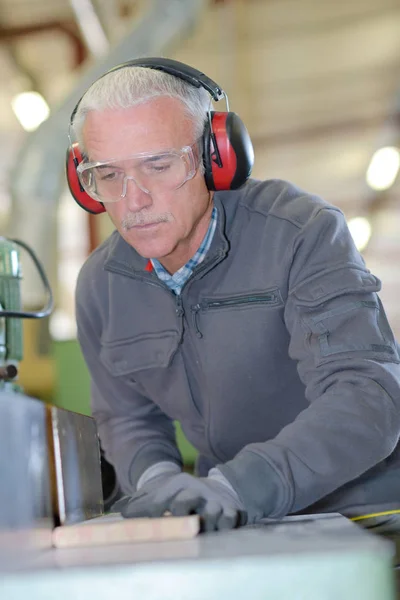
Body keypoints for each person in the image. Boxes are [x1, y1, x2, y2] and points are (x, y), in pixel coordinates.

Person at [69, 58, 400, 532]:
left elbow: (367, 397)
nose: (133, 200)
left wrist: (237, 487)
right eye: (108, 174)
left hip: (364, 512)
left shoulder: (300, 233)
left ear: (214, 155)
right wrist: (160, 482)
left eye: (158, 166)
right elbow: (125, 418)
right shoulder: (100, 285)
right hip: (234, 522)